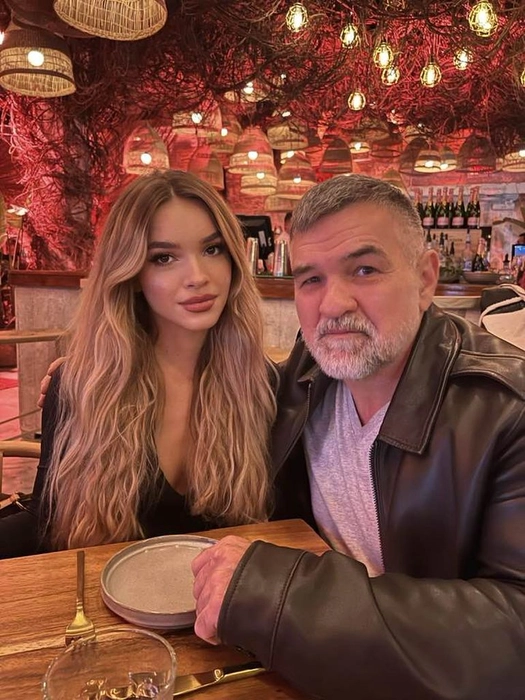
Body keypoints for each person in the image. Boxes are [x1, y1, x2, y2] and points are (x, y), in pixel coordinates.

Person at [192, 174, 525, 700]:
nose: (332, 305)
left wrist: (273, 593)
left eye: (364, 270)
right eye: (310, 279)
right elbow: (225, 381)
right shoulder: (310, 371)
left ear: (425, 279)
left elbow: (514, 635)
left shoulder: (507, 411)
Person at [0, 170, 278, 558]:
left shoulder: (261, 384)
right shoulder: (83, 385)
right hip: (107, 590)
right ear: (131, 275)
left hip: (222, 593)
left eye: (212, 249)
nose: (198, 277)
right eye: (164, 258)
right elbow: (46, 520)